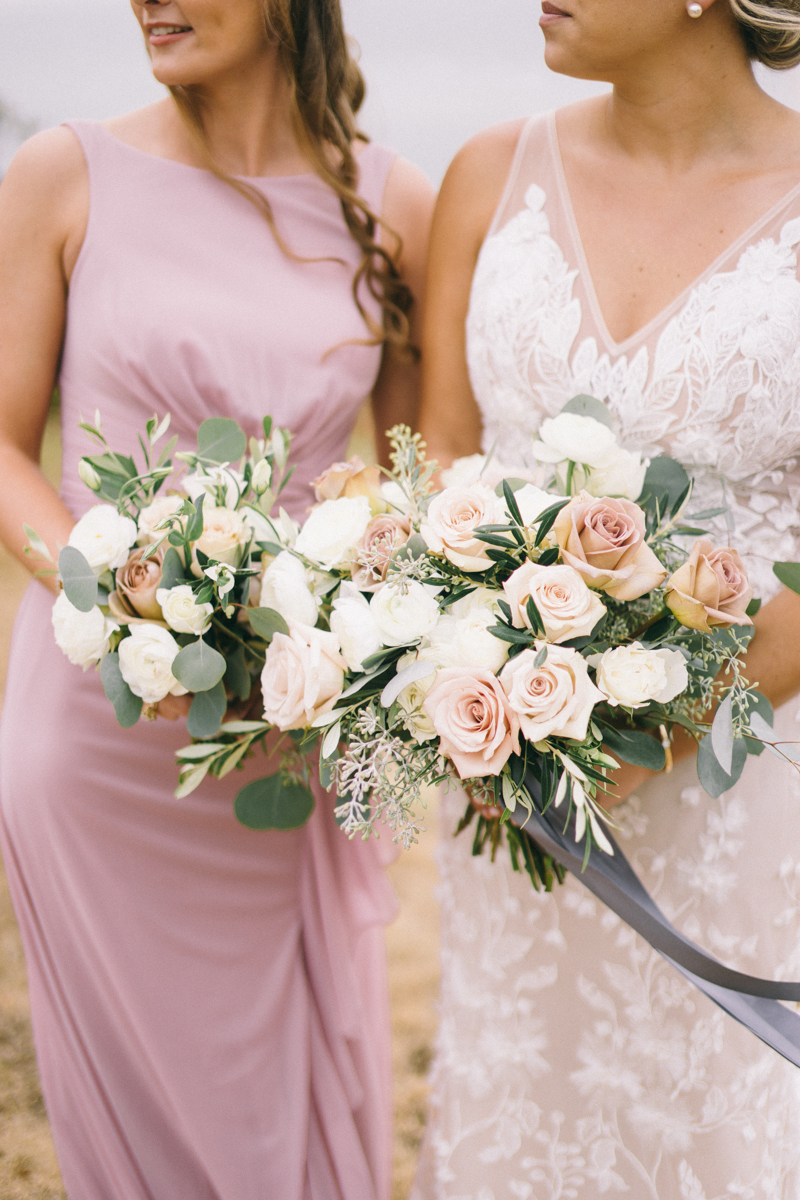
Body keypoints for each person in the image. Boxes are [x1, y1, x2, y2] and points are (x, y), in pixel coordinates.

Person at [0, 1, 434, 1197]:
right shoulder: (62, 174)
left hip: (282, 725)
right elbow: (2, 445)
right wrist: (135, 606)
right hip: (96, 724)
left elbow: (412, 482)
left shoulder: (397, 206)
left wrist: (340, 654)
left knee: (267, 1095)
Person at [412, 0, 800, 1195]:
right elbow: (438, 458)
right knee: (526, 1093)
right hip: (515, 784)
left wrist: (654, 736)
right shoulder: (488, 174)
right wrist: (462, 693)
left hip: (745, 781)